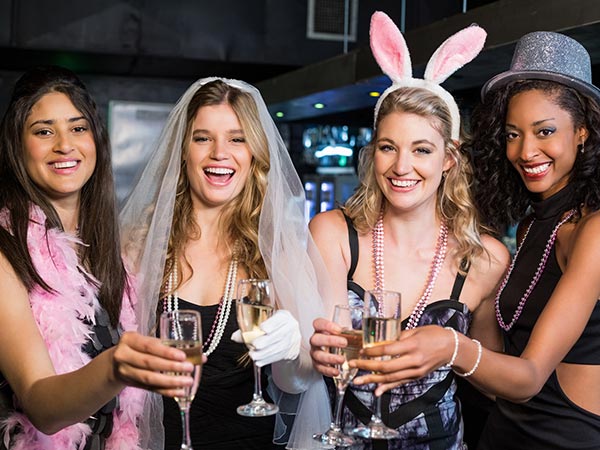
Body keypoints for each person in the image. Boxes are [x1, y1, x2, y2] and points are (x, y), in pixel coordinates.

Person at [352, 31, 600, 450]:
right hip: (503, 430)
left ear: (582, 132)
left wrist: (449, 344)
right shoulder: (532, 226)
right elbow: (497, 364)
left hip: (563, 436)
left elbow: (529, 377)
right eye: (512, 134)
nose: (526, 151)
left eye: (544, 131)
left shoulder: (593, 230)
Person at [308, 12, 509, 450]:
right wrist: (312, 350)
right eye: (388, 148)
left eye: (422, 150)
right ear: (373, 152)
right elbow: (318, 351)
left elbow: (495, 380)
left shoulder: (486, 258)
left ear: (449, 159)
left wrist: (452, 348)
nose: (402, 167)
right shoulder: (333, 234)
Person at [119, 77, 330, 450]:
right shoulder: (138, 243)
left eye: (237, 138)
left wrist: (290, 351)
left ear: (255, 154)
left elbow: (300, 381)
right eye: (203, 138)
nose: (220, 152)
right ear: (183, 150)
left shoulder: (276, 251)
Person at [0, 66, 196, 450]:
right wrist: (114, 367)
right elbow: (42, 406)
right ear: (17, 146)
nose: (64, 145)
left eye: (77, 128)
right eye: (43, 131)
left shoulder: (109, 251)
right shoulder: (6, 251)